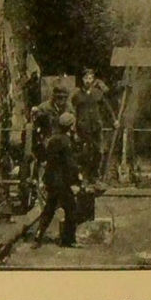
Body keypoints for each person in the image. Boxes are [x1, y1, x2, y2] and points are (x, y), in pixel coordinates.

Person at [32, 112, 82, 248]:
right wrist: (77, 179)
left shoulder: (53, 140)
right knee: (71, 209)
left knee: (48, 210)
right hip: (62, 183)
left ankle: (38, 237)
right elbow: (69, 164)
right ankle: (68, 240)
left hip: (51, 181)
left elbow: (49, 161)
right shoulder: (67, 142)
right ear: (71, 126)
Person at [71, 68, 115, 182]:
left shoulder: (98, 93)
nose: (88, 81)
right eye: (86, 78)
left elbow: (107, 107)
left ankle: (94, 175)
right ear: (82, 79)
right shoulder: (77, 95)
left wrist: (114, 120)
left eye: (90, 78)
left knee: (98, 151)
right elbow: (72, 111)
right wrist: (74, 127)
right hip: (83, 128)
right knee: (85, 152)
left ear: (93, 79)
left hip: (96, 126)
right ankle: (83, 175)